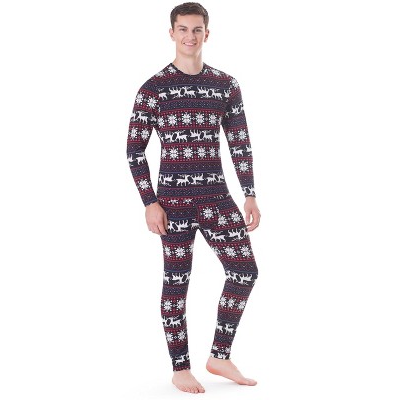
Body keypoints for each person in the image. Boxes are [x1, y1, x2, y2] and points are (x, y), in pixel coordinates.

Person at [126, 2, 261, 394]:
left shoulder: (226, 85)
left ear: (207, 34)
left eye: (196, 29)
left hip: (217, 198)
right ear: (171, 33)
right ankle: (180, 367)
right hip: (173, 203)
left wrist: (250, 194)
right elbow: (134, 151)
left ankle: (219, 355)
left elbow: (240, 143)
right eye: (182, 29)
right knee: (177, 281)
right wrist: (149, 202)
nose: (190, 36)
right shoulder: (153, 89)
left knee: (245, 271)